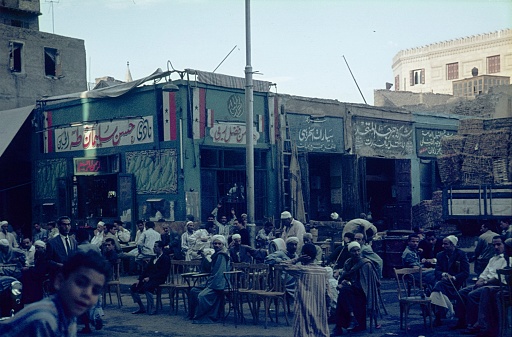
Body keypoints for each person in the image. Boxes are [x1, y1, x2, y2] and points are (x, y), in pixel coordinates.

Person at [0, 250, 109, 337]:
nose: (87, 294)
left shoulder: (69, 314)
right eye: (80, 283)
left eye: (95, 290)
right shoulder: (45, 320)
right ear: (59, 281)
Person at [450, 235, 507, 335]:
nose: (496, 247)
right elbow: (485, 273)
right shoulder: (493, 259)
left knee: (472, 295)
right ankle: (462, 320)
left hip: (496, 285)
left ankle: (472, 324)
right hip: (485, 283)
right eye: (494, 245)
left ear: (504, 244)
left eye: (499, 244)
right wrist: (480, 281)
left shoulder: (507, 259)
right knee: (461, 293)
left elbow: (500, 278)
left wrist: (484, 282)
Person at [331, 241, 380, 336]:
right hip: (351, 292)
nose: (357, 253)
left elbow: (365, 285)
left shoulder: (366, 264)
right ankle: (351, 318)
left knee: (343, 294)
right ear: (350, 252)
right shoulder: (348, 262)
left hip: (362, 293)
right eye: (354, 251)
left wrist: (349, 284)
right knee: (344, 293)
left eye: (358, 250)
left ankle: (339, 326)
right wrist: (344, 282)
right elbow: (344, 277)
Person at [282, 243, 330, 337]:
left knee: (303, 331)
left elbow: (283, 265)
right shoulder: (323, 271)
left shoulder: (301, 270)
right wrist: (328, 308)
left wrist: (298, 259)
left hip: (303, 306)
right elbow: (327, 293)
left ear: (303, 254)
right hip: (319, 308)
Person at [429, 235, 470, 326]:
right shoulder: (440, 255)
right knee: (438, 286)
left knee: (436, 288)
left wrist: (454, 277)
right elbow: (437, 271)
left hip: (456, 282)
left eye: (446, 244)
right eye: (443, 244)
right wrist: (444, 274)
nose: (443, 246)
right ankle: (449, 309)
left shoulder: (461, 254)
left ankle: (439, 315)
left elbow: (466, 272)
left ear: (453, 245)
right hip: (443, 281)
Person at [188, 235, 230, 323]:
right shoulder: (215, 255)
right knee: (194, 291)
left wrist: (213, 286)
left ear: (223, 245)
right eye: (215, 243)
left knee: (202, 296)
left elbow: (219, 274)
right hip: (212, 281)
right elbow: (209, 269)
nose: (217, 245)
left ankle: (206, 316)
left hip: (220, 283)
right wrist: (204, 257)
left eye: (219, 244)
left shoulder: (222, 255)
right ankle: (193, 314)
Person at [130, 241, 171, 315]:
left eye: (156, 247)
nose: (154, 248)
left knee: (147, 287)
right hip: (149, 278)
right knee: (133, 287)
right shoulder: (153, 258)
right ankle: (141, 307)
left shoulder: (165, 258)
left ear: (160, 248)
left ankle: (152, 307)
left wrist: (150, 278)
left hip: (159, 279)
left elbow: (163, 272)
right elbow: (146, 270)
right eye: (154, 246)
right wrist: (139, 279)